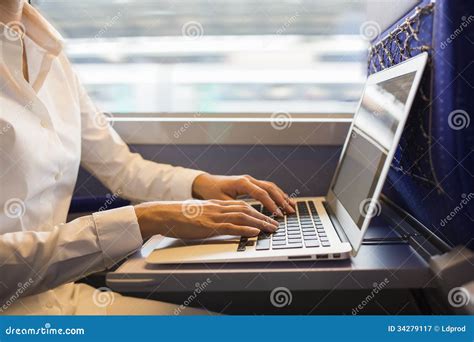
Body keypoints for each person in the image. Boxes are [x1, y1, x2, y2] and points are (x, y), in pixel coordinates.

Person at [0, 1, 296, 315]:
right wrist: (146, 220)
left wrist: (200, 185)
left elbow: (122, 167)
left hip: (59, 296)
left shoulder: (47, 50)